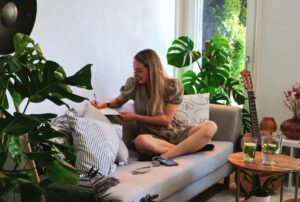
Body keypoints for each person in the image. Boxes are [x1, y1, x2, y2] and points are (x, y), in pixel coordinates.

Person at [91, 49, 217, 159]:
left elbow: (166, 120)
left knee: (210, 126)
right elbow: (118, 101)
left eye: (139, 71)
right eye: (134, 70)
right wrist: (103, 104)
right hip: (151, 137)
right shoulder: (134, 84)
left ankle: (166, 155)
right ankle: (189, 148)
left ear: (152, 69)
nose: (136, 75)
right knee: (141, 141)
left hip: (173, 133)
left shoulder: (171, 86)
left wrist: (135, 117)